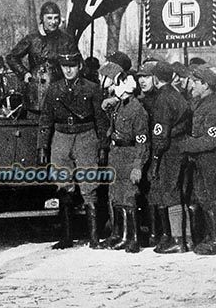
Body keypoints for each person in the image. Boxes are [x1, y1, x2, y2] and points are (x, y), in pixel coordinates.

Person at [38, 52, 108, 249]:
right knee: (63, 183)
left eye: (72, 65)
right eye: (64, 66)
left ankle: (94, 238)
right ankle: (66, 237)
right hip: (61, 137)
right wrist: (43, 145)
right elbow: (45, 119)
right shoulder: (54, 89)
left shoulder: (93, 88)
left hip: (86, 136)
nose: (68, 70)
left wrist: (102, 146)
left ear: (79, 66)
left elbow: (100, 120)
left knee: (89, 184)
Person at [182, 66, 216, 255]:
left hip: (212, 160)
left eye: (196, 82)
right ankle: (211, 235)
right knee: (204, 198)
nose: (192, 85)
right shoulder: (202, 103)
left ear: (205, 85)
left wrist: (186, 145)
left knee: (215, 199)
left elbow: (210, 140)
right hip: (201, 160)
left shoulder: (214, 106)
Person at [147, 61, 192, 254]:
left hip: (169, 150)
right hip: (181, 147)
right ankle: (188, 238)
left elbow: (160, 133)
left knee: (170, 193)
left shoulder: (162, 99)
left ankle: (177, 240)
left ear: (156, 78)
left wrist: (155, 158)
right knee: (180, 193)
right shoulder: (178, 95)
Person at [105, 71, 149, 253]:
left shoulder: (137, 110)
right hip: (116, 154)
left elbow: (142, 141)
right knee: (118, 196)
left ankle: (134, 239)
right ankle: (123, 236)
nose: (113, 87)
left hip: (129, 154)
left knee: (130, 198)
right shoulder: (120, 106)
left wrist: (138, 165)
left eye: (117, 83)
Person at [6, 2, 77, 111]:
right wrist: (24, 73)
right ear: (42, 18)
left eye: (56, 18)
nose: (53, 22)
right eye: (49, 18)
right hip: (36, 91)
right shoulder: (32, 39)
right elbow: (12, 57)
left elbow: (78, 63)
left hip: (60, 88)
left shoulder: (66, 40)